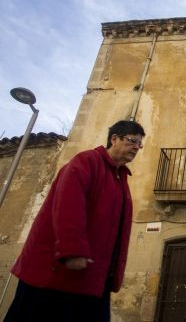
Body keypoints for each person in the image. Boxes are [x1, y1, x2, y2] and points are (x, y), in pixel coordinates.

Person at [4, 120, 145, 322]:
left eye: (139, 144)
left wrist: (113, 273)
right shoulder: (86, 162)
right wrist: (73, 250)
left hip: (93, 278)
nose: (136, 148)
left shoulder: (120, 179)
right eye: (132, 141)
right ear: (114, 139)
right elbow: (67, 205)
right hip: (56, 274)